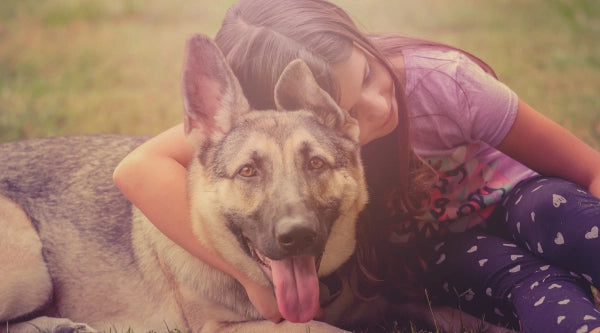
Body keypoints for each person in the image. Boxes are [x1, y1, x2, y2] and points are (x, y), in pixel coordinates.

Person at [113, 0, 600, 331]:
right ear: (281, 108)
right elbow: (137, 168)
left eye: (368, 73)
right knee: (523, 281)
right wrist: (246, 277)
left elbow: (588, 168)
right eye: (348, 106)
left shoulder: (445, 83)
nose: (377, 106)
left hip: (525, 203)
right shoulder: (257, 129)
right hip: (449, 245)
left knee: (559, 211)